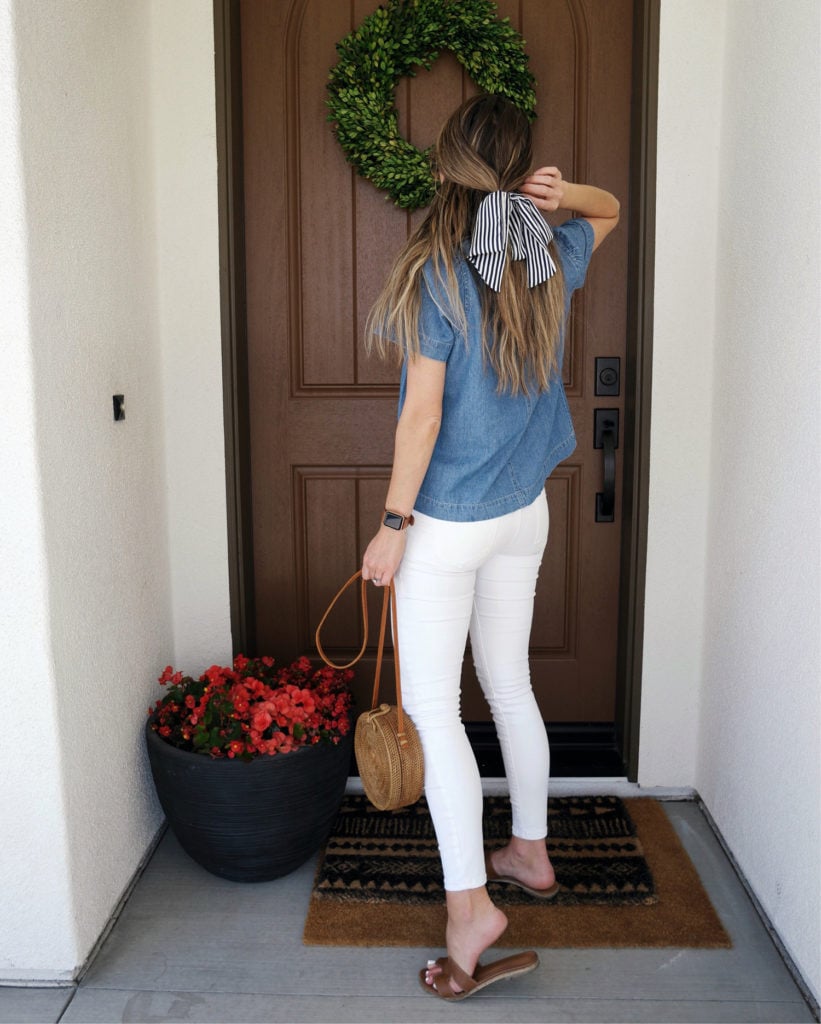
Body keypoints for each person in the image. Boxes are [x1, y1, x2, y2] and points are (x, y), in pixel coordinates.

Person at [360, 93, 619, 1001]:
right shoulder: (545, 249)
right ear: (517, 171)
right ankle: (531, 855)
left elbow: (422, 417)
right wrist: (560, 193)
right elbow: (609, 208)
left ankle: (471, 906)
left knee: (434, 711)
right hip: (524, 510)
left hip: (449, 523)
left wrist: (392, 527)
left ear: (448, 162)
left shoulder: (434, 268)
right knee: (508, 682)